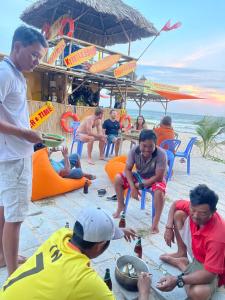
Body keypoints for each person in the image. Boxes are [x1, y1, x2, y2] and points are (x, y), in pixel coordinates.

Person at [0, 207, 151, 300]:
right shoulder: (86, 280)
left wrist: (118, 231)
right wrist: (143, 291)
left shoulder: (60, 235)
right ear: (100, 246)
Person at [0, 26, 47, 275]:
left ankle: (2, 255)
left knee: (4, 209)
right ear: (17, 47)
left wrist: (26, 131)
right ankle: (12, 276)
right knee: (15, 217)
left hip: (10, 154)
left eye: (40, 58)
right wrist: (25, 134)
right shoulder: (5, 73)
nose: (36, 62)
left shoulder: (15, 74)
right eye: (34, 55)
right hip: (14, 157)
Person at [157, 184, 225, 300]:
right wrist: (168, 228)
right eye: (193, 209)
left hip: (211, 267)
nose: (195, 216)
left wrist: (177, 280)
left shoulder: (218, 236)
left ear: (213, 211)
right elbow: (175, 204)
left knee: (198, 293)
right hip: (197, 252)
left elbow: (209, 275)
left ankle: (182, 265)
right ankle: (181, 254)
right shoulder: (194, 208)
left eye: (202, 213)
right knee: (179, 214)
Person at [113, 129, 167, 234]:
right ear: (139, 143)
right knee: (118, 178)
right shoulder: (134, 150)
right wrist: (133, 187)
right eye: (144, 146)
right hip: (139, 176)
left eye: (150, 146)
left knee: (159, 192)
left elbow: (159, 177)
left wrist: (141, 185)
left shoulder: (161, 154)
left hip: (155, 178)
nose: (147, 149)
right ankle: (121, 205)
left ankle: (155, 221)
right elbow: (127, 169)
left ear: (155, 144)